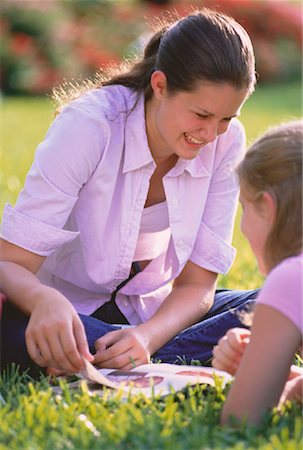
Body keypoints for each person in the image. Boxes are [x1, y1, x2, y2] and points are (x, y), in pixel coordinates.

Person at [0, 8, 258, 377]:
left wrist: (148, 338)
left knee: (285, 301)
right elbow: (9, 263)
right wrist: (44, 300)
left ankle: (124, 356)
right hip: (66, 312)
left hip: (152, 313)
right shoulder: (90, 126)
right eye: (201, 115)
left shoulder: (227, 142)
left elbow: (199, 283)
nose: (210, 134)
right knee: (26, 330)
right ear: (159, 85)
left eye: (226, 119)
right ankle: (143, 355)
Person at [212, 120, 303, 425]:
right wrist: (273, 371)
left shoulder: (292, 277)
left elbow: (241, 419)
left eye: (244, 207)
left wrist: (281, 386)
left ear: (267, 206)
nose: (242, 225)